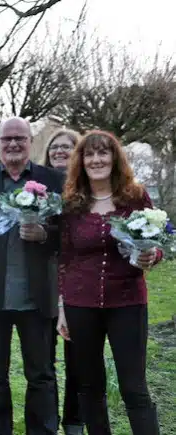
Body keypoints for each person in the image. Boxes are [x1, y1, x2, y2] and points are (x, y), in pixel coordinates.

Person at [0, 117, 63, 435]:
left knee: (41, 373)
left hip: (38, 295)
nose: (13, 144)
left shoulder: (52, 180)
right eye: (7, 139)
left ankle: (41, 431)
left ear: (30, 142)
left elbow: (68, 234)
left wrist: (45, 234)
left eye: (20, 138)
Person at [57, 130, 162, 435]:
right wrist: (62, 306)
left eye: (103, 153)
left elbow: (158, 242)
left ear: (115, 158)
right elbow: (64, 258)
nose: (96, 159)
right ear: (81, 161)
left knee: (134, 387)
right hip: (80, 304)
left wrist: (151, 255)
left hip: (127, 302)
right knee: (90, 387)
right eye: (89, 154)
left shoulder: (136, 197)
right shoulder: (72, 203)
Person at [42, 128, 84, 435]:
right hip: (45, 282)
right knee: (45, 361)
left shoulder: (87, 191)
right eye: (55, 147)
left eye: (67, 147)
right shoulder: (38, 189)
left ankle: (73, 421)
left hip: (78, 284)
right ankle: (48, 423)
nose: (60, 151)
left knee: (77, 359)